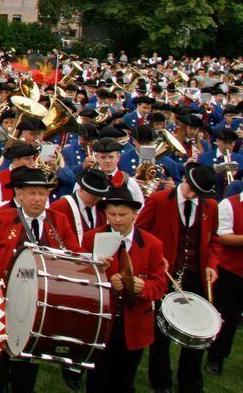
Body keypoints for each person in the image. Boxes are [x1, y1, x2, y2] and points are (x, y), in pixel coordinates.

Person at [0, 166, 82, 393]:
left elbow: (74, 255)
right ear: (20, 194)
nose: (37, 199)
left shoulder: (59, 220)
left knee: (28, 360)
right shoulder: (2, 218)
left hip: (41, 302)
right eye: (32, 193)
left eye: (42, 194)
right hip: (5, 297)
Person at [138, 163, 221, 393]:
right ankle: (160, 382)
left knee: (196, 332)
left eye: (198, 192)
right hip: (164, 276)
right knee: (161, 333)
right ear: (184, 179)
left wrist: (211, 265)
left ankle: (191, 383)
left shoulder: (210, 206)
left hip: (195, 277)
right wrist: (156, 260)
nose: (192, 194)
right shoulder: (158, 200)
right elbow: (140, 234)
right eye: (190, 188)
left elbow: (214, 240)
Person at [82, 186, 167, 392]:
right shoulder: (92, 238)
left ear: (135, 214)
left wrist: (143, 287)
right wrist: (104, 277)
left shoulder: (152, 244)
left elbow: (161, 285)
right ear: (104, 214)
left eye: (123, 214)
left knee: (125, 378)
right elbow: (82, 276)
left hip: (135, 323)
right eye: (112, 214)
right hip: (103, 323)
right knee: (97, 378)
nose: (117, 220)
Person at [207, 185, 243, 375]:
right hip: (232, 271)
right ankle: (215, 357)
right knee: (227, 318)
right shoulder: (229, 204)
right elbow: (222, 236)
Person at [49, 169, 112, 242]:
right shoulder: (60, 207)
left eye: (99, 198)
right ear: (81, 189)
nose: (96, 202)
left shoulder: (101, 208)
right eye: (94, 197)